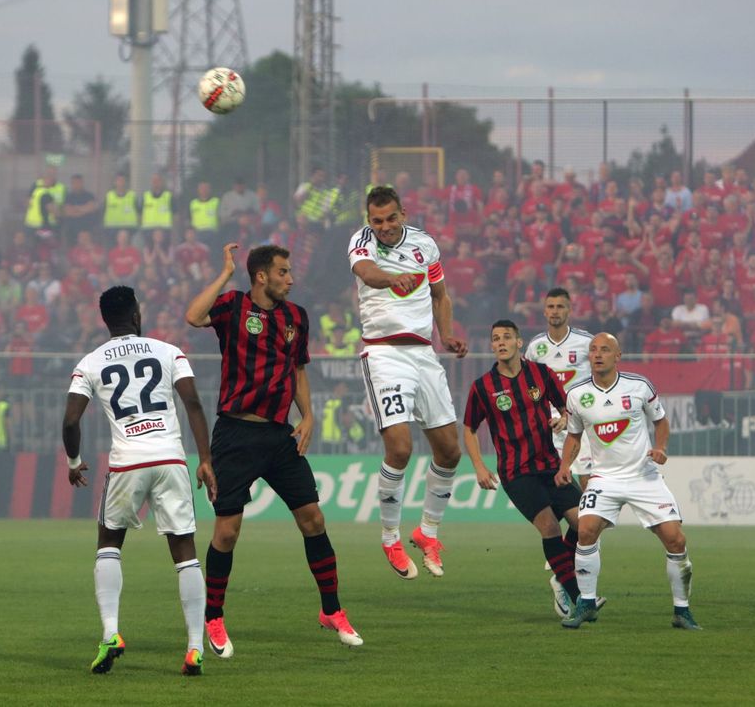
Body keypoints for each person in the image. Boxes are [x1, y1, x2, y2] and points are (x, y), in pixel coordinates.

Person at [186, 242, 362, 657]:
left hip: (279, 437)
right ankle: (213, 616)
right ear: (262, 276)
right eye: (283, 272)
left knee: (313, 519)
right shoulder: (232, 306)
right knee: (227, 533)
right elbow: (193, 317)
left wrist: (309, 416)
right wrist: (227, 272)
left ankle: (332, 611)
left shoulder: (296, 317)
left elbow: (298, 370)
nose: (291, 279)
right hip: (234, 435)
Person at [62, 285, 216, 676]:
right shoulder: (169, 351)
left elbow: (70, 421)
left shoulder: (90, 363)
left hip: (127, 463)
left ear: (105, 320)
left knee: (109, 542)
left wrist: (75, 461)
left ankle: (111, 633)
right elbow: (193, 403)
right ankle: (195, 648)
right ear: (136, 315)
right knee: (185, 552)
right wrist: (206, 459)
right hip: (169, 459)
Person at [347, 186, 467, 579]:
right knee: (399, 448)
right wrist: (390, 279)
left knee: (450, 452)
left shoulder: (425, 244)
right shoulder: (361, 241)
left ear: (403, 213)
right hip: (383, 354)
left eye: (390, 218)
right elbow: (366, 272)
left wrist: (446, 334)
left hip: (423, 354)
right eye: (376, 220)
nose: (383, 227)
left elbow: (441, 295)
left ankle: (427, 531)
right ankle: (390, 537)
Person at [557, 332, 701, 631]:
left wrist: (660, 448)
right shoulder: (576, 395)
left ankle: (682, 610)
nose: (597, 355)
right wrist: (565, 465)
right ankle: (586, 603)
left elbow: (660, 421)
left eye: (605, 350)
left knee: (676, 540)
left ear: (617, 356)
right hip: (604, 479)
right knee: (585, 531)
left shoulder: (639, 386)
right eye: (593, 350)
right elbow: (574, 433)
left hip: (643, 477)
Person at [464, 319, 588, 621]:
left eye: (507, 337)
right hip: (515, 472)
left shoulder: (540, 374)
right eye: (496, 339)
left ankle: (561, 577)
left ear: (520, 343)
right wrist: (479, 467)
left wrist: (562, 418)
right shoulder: (483, 387)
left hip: (550, 465)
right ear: (492, 346)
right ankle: (579, 599)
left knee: (585, 526)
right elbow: (469, 428)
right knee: (549, 527)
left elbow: (566, 407)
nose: (501, 342)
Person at [524, 288, 595, 489]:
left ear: (569, 310)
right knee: (556, 480)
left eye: (560, 307)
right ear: (545, 311)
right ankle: (574, 520)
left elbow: (601, 376)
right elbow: (527, 383)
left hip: (581, 419)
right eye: (551, 307)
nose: (555, 311)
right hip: (550, 422)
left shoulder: (586, 342)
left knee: (586, 478)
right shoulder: (536, 346)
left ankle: (589, 519)